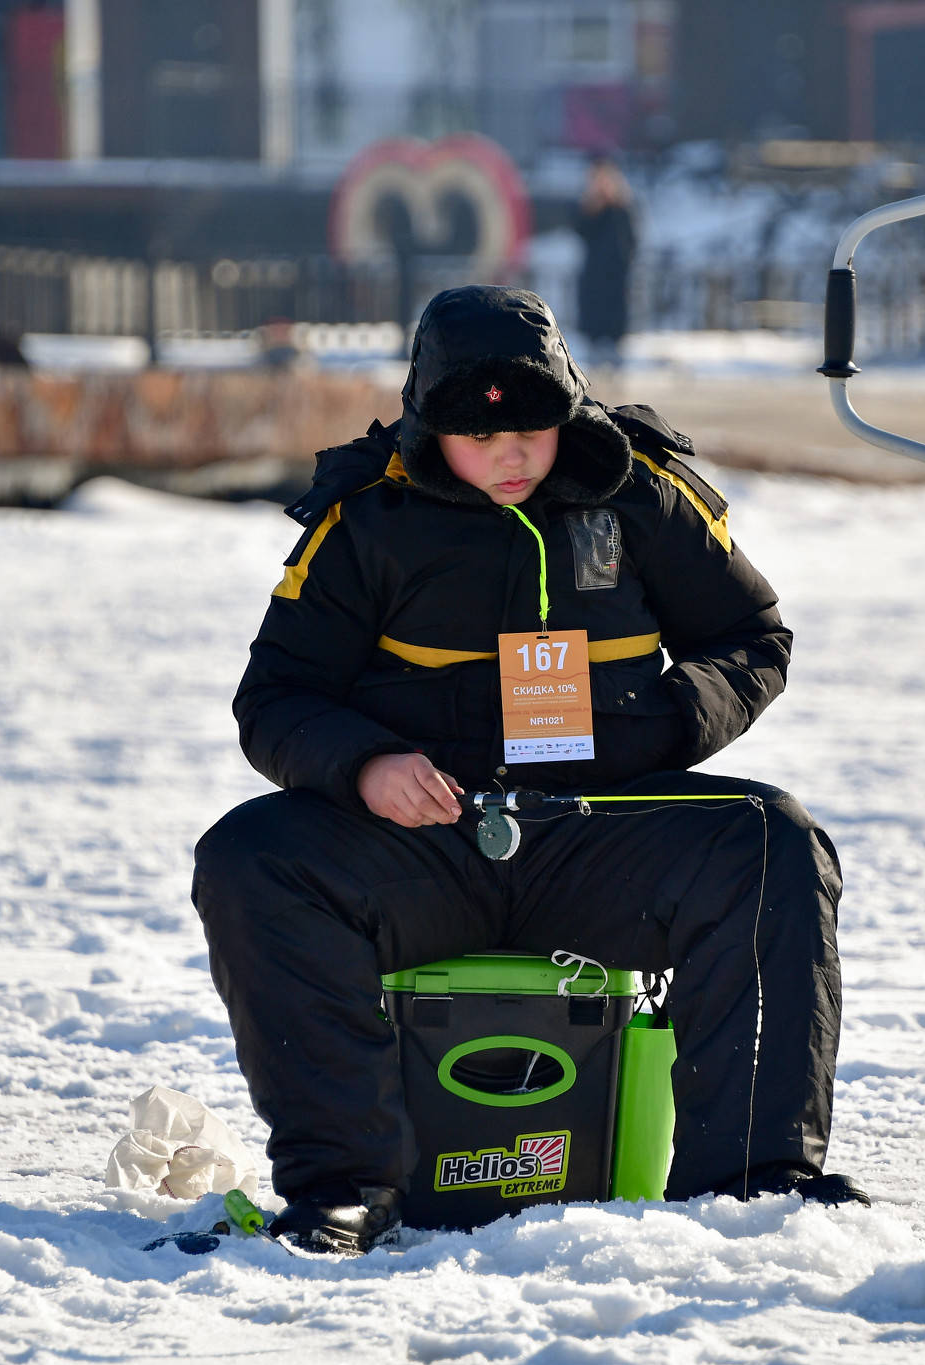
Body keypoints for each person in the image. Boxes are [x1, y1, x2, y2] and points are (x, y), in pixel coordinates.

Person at [191, 285, 862, 1256]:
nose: (507, 454)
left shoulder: (638, 492)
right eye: (474, 435)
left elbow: (752, 638)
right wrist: (366, 767)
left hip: (598, 838)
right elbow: (275, 701)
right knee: (249, 858)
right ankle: (343, 1187)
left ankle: (752, 1188)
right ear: (430, 427)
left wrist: (666, 725)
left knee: (772, 844)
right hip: (421, 847)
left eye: (531, 430)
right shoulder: (368, 518)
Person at [574, 158, 637, 365]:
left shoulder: (622, 208)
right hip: (594, 272)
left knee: (614, 313)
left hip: (615, 272)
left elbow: (630, 239)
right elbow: (581, 231)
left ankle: (614, 346)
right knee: (594, 313)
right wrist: (594, 207)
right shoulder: (589, 207)